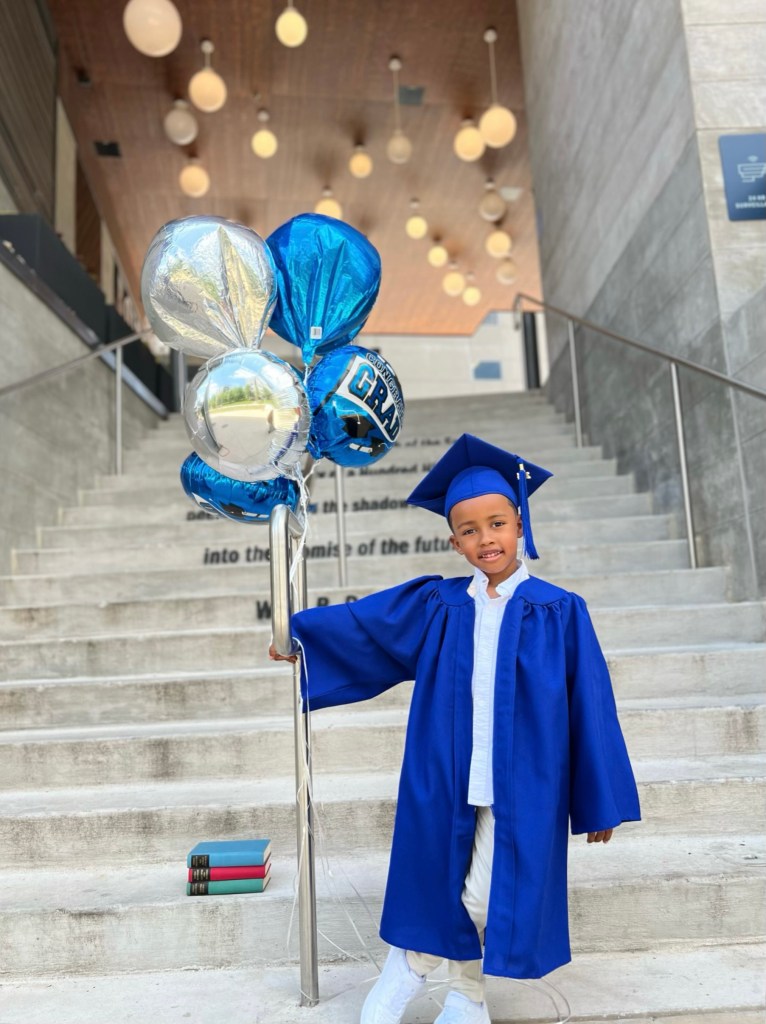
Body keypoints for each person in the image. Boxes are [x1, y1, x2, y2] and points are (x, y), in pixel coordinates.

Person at [269, 433, 641, 1024]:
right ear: (454, 541)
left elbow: (590, 705)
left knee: (483, 894)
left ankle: (409, 965)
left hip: (526, 781)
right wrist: (300, 637)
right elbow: (367, 627)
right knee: (440, 878)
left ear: (520, 525)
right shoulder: (438, 604)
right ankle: (468, 998)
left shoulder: (560, 610)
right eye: (469, 530)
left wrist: (601, 801)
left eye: (497, 524)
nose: (485, 539)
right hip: (448, 773)